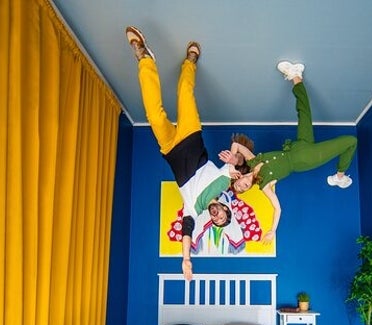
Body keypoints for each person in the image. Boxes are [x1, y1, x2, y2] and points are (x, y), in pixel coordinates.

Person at [126, 26, 246, 280]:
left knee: (153, 114)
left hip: (169, 148)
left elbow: (186, 233)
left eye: (215, 222)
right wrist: (235, 159)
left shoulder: (193, 210)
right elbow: (238, 161)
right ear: (226, 210)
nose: (216, 218)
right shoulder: (226, 181)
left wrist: (186, 260)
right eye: (222, 217)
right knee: (184, 93)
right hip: (192, 136)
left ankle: (144, 58)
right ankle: (190, 62)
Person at [219, 61, 358, 245]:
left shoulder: (252, 161)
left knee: (304, 113)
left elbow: (236, 144)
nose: (243, 185)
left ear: (239, 177)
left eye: (239, 184)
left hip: (297, 146)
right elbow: (278, 209)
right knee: (351, 141)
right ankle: (339, 176)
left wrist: (230, 166)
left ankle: (295, 76)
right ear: (248, 188)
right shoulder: (265, 186)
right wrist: (272, 231)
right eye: (243, 188)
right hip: (304, 159)